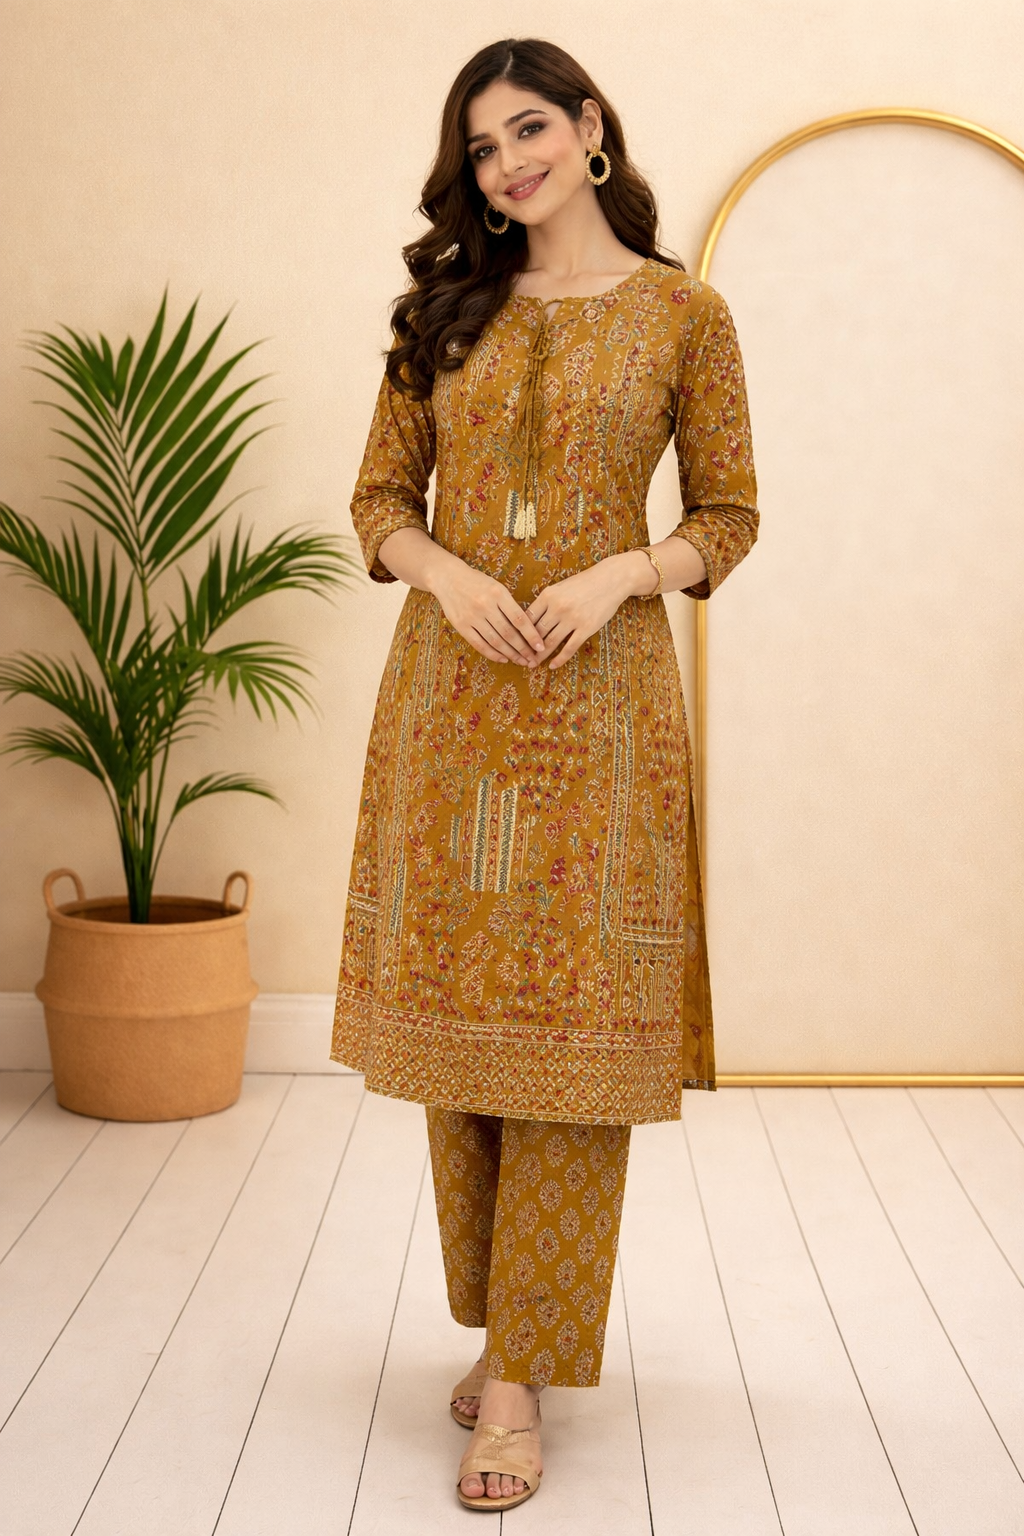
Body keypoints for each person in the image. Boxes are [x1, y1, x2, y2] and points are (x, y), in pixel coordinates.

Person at [331, 36, 759, 1513]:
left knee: (574, 1045)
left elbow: (733, 514)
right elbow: (377, 497)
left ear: (590, 128)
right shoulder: (442, 314)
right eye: (482, 145)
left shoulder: (683, 314)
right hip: (452, 707)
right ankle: (506, 1327)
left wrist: (626, 573)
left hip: (604, 711)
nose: (507, 162)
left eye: (528, 129)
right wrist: (440, 571)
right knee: (460, 1037)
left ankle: (514, 1385)